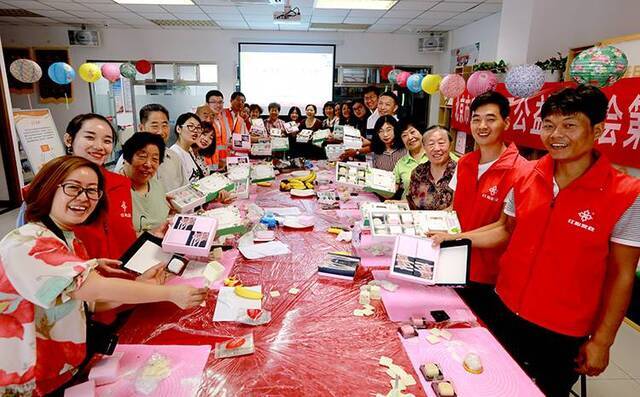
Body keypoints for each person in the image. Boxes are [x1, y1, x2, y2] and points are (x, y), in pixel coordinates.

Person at [432, 85, 640, 396]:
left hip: (563, 328)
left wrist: (603, 340)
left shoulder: (626, 195)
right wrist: (453, 238)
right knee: (489, 385)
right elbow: (505, 229)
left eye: (569, 124)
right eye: (548, 125)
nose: (557, 134)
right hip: (504, 307)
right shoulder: (526, 177)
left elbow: (622, 275)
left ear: (597, 130)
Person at [0, 156, 207, 396]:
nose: (83, 198)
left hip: (63, 370)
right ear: (48, 188)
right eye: (73, 188)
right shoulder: (26, 242)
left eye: (92, 191)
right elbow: (93, 287)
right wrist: (170, 293)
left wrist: (141, 286)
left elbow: (90, 304)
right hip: (27, 382)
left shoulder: (69, 239)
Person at [442, 91, 530, 330]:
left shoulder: (520, 171)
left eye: (490, 119)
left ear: (506, 122)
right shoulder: (465, 162)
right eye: (476, 119)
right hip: (451, 264)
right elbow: (453, 208)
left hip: (490, 276)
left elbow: (506, 229)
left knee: (481, 339)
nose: (482, 126)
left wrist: (454, 238)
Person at [62, 113, 137, 259]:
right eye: (90, 137)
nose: (99, 146)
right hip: (81, 276)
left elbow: (125, 232)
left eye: (107, 141)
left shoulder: (121, 184)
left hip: (126, 273)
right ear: (69, 140)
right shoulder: (52, 186)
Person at [114, 104, 187, 192]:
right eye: (155, 126)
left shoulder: (174, 157)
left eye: (164, 125)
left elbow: (184, 188)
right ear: (141, 128)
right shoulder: (128, 160)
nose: (161, 131)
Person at [122, 132, 170, 234]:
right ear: (127, 157)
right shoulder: (114, 189)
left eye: (155, 159)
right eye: (142, 156)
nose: (148, 164)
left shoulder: (157, 186)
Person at [406, 126, 456, 210]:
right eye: (431, 144)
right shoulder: (418, 172)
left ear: (450, 145)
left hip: (448, 222)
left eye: (441, 143)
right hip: (419, 221)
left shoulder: (460, 172)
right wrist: (393, 204)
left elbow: (458, 207)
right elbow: (412, 202)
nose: (436, 149)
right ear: (424, 147)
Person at [391, 119, 428, 199]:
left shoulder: (435, 156)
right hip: (407, 208)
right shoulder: (401, 163)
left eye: (412, 132)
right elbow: (390, 191)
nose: (410, 137)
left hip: (433, 209)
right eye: (404, 135)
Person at [170, 112, 205, 182]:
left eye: (198, 128)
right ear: (178, 129)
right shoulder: (175, 153)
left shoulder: (189, 151)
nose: (195, 130)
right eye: (191, 126)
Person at [205, 90, 228, 170]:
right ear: (207, 104)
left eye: (220, 102)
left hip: (221, 163)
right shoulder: (204, 121)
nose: (218, 105)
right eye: (214, 102)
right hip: (208, 165)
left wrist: (223, 161)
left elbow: (221, 144)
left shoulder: (221, 119)